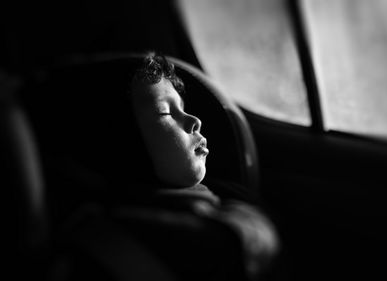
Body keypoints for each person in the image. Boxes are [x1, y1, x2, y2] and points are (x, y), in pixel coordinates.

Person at [50, 53, 280, 281]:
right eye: (166, 112)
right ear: (124, 143)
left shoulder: (227, 192)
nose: (194, 120)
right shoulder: (131, 233)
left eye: (183, 107)